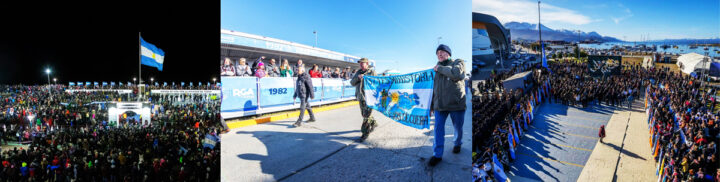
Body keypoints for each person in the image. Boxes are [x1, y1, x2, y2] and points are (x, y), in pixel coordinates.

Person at [429, 44, 466, 167]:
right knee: (438, 130)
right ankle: (437, 154)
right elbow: (433, 89)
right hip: (440, 106)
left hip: (456, 104)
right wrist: (431, 106)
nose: (439, 54)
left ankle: (457, 143)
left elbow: (456, 74)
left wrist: (439, 68)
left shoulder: (457, 62)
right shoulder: (435, 69)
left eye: (442, 51)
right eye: (437, 52)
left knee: (458, 128)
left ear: (448, 54)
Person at [351, 58, 376, 142]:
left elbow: (376, 83)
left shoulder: (371, 72)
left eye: (363, 63)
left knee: (366, 116)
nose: (361, 64)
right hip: (360, 97)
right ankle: (373, 123)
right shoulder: (358, 72)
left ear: (367, 63)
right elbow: (352, 83)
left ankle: (365, 133)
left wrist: (367, 79)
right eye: (360, 63)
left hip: (369, 97)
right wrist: (358, 78)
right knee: (364, 114)